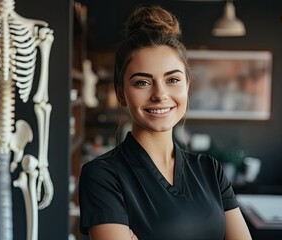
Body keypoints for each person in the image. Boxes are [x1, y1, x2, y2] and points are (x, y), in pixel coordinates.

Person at [78, 5, 252, 240]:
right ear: (120, 93)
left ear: (187, 86)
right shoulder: (102, 176)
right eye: (142, 82)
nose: (160, 94)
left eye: (172, 79)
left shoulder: (210, 170)